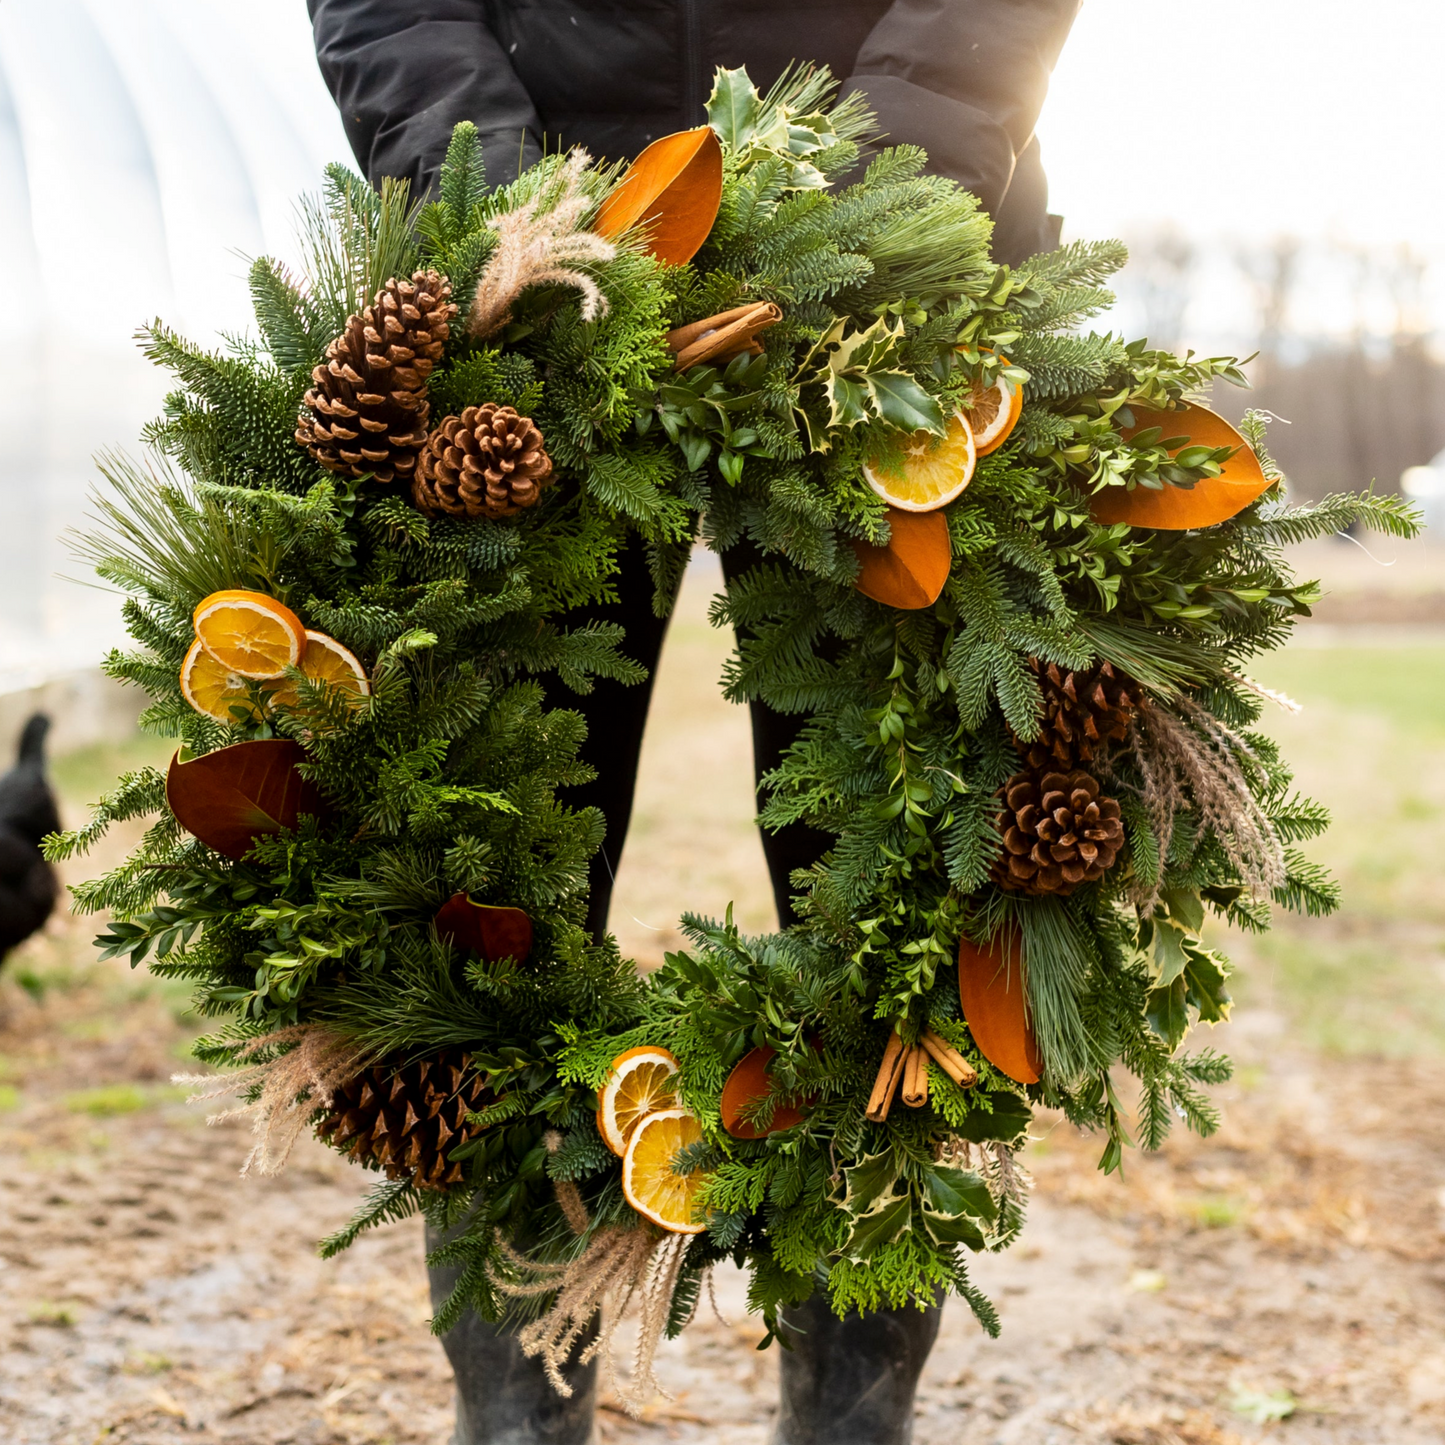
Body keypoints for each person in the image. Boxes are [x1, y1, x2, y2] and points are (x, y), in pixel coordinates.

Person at [307, 5, 1080, 1442]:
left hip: (894, 285)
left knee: (909, 913)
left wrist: (877, 194)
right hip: (525, 297)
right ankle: (518, 1415)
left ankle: (854, 1419)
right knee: (479, 906)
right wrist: (512, 210)